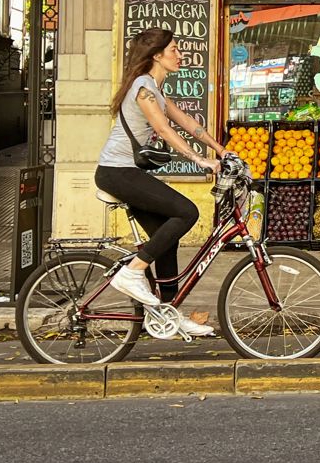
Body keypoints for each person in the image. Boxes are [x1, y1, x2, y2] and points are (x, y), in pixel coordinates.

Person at [95, 28, 226, 338]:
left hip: (128, 172)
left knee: (167, 236)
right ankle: (133, 272)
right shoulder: (143, 88)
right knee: (187, 212)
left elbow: (186, 122)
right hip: (117, 172)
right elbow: (165, 130)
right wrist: (201, 160)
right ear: (156, 55)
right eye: (174, 50)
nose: (180, 55)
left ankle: (170, 313)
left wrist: (221, 150)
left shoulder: (152, 87)